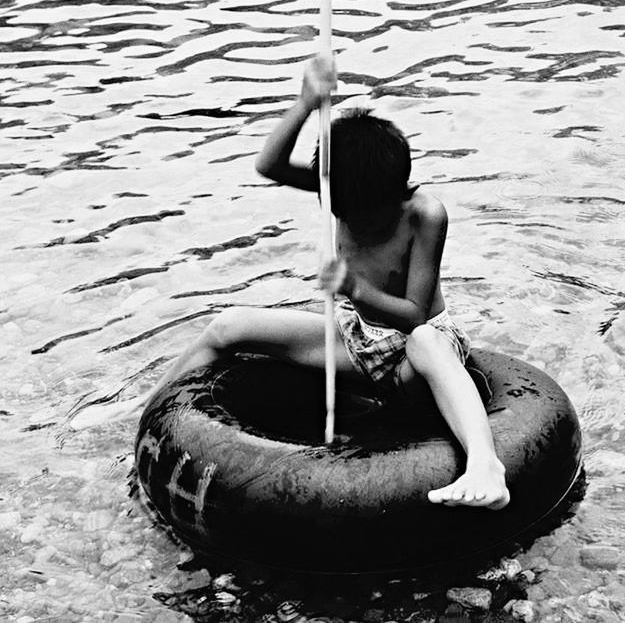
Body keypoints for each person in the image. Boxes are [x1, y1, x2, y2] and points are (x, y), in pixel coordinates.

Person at [72, 54, 510, 511]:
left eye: (370, 216)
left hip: (415, 356)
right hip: (358, 341)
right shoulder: (338, 186)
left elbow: (414, 314)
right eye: (344, 212)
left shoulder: (424, 214)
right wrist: (305, 103)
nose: (356, 224)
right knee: (227, 327)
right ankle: (146, 405)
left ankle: (484, 463)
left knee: (423, 339)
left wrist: (356, 289)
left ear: (397, 190)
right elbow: (270, 164)